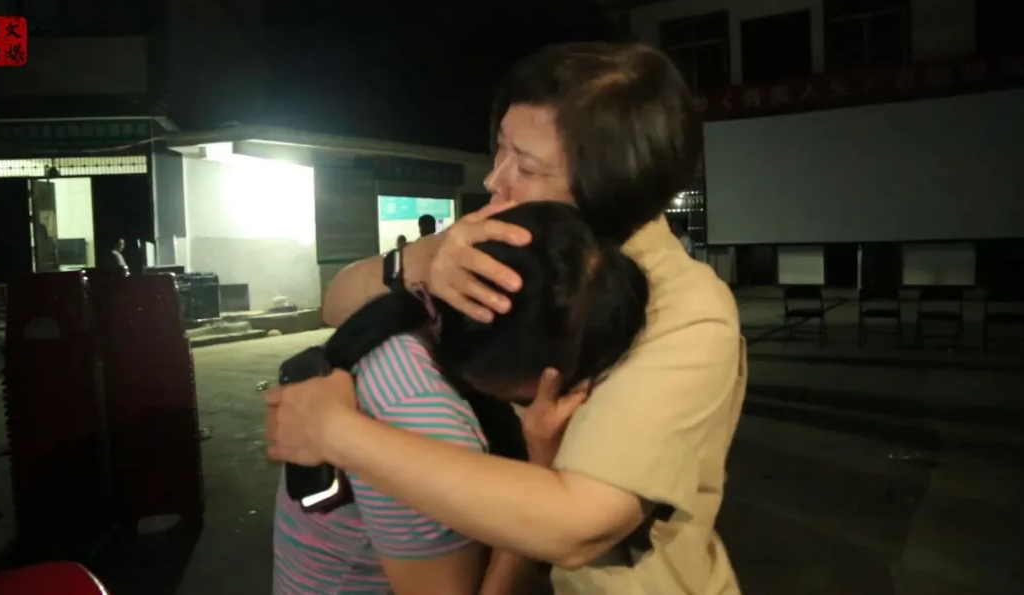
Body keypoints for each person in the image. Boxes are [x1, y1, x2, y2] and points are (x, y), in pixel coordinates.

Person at [266, 42, 746, 595]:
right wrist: (428, 259)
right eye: (500, 149)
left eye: (526, 166)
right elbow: (338, 302)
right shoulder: (514, 236)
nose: (496, 180)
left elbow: (581, 525)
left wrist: (333, 432)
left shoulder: (685, 311)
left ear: (607, 189)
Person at [272, 201, 650, 595]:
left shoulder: (411, 315)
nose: (497, 184)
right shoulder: (423, 419)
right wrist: (542, 468)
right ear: (544, 376)